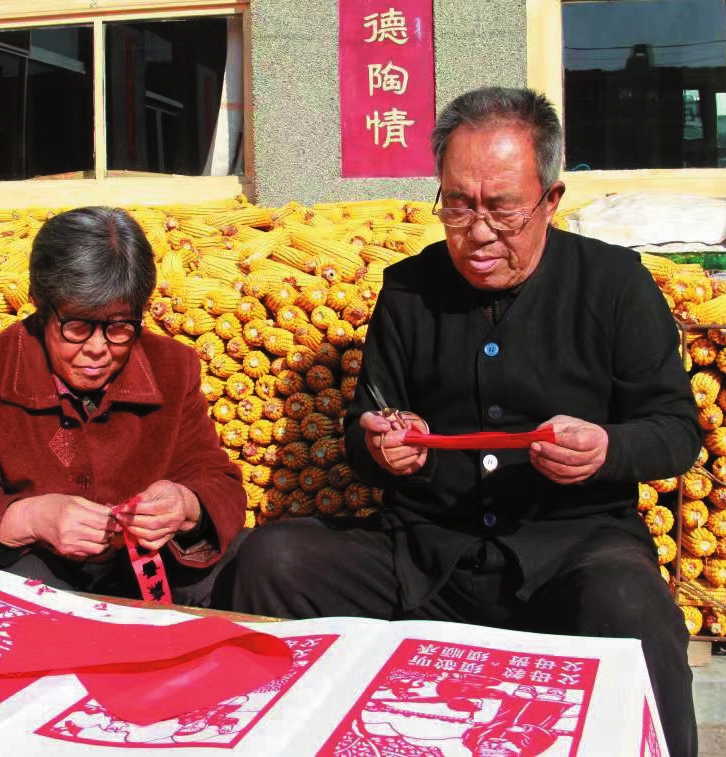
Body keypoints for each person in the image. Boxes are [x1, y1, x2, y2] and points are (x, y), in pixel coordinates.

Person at [230, 87, 700, 756]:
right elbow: (365, 424)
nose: (477, 232)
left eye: (502, 209)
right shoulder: (408, 290)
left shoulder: (614, 284)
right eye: (457, 205)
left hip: (572, 552)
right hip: (425, 554)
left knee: (634, 606)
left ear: (551, 200)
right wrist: (380, 446)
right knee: (272, 560)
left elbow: (676, 429)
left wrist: (607, 448)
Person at [0, 206, 245, 606]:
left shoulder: (173, 367)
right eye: (78, 326)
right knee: (29, 586)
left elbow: (217, 480)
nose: (98, 348)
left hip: (148, 568)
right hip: (41, 572)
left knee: (267, 559)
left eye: (119, 327)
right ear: (39, 306)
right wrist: (31, 518)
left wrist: (187, 505)